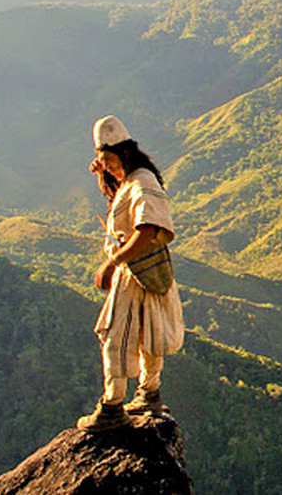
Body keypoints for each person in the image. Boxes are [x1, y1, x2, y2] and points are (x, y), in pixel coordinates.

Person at [77, 115, 185, 432]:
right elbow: (118, 201)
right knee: (148, 335)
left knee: (116, 337)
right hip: (147, 270)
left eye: (109, 159)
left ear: (123, 153)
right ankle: (149, 393)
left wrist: (114, 262)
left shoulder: (142, 183)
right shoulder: (132, 179)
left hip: (136, 271)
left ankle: (112, 406)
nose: (105, 165)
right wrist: (105, 173)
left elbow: (148, 228)